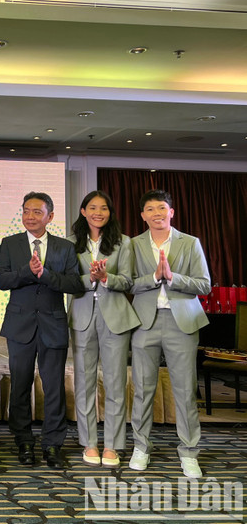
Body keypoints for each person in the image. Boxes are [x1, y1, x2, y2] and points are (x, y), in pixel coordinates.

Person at [0, 192, 84, 469]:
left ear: (50, 216)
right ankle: (23, 441)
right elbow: (1, 280)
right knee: (20, 385)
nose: (30, 217)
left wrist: (45, 275)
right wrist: (26, 272)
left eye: (37, 212)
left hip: (53, 324)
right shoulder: (10, 243)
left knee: (54, 387)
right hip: (20, 325)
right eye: (26, 211)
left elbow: (75, 284)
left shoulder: (64, 247)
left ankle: (53, 444)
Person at [129, 189, 211, 479]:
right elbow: (128, 283)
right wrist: (153, 277)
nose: (156, 214)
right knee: (143, 389)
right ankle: (141, 447)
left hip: (182, 324)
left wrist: (173, 277)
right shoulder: (134, 244)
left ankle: (189, 452)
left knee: (185, 391)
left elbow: (204, 285)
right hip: (145, 323)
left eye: (161, 208)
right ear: (143, 215)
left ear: (171, 212)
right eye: (150, 209)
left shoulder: (190, 243)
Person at [67, 190, 140, 468]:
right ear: (83, 211)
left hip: (116, 317)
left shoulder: (124, 243)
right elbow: (70, 281)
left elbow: (129, 281)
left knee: (115, 383)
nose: (99, 212)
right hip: (83, 317)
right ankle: (89, 443)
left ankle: (112, 444)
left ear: (110, 213)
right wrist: (91, 277)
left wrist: (106, 277)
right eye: (93, 207)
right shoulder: (70, 243)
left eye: (104, 208)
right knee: (83, 383)